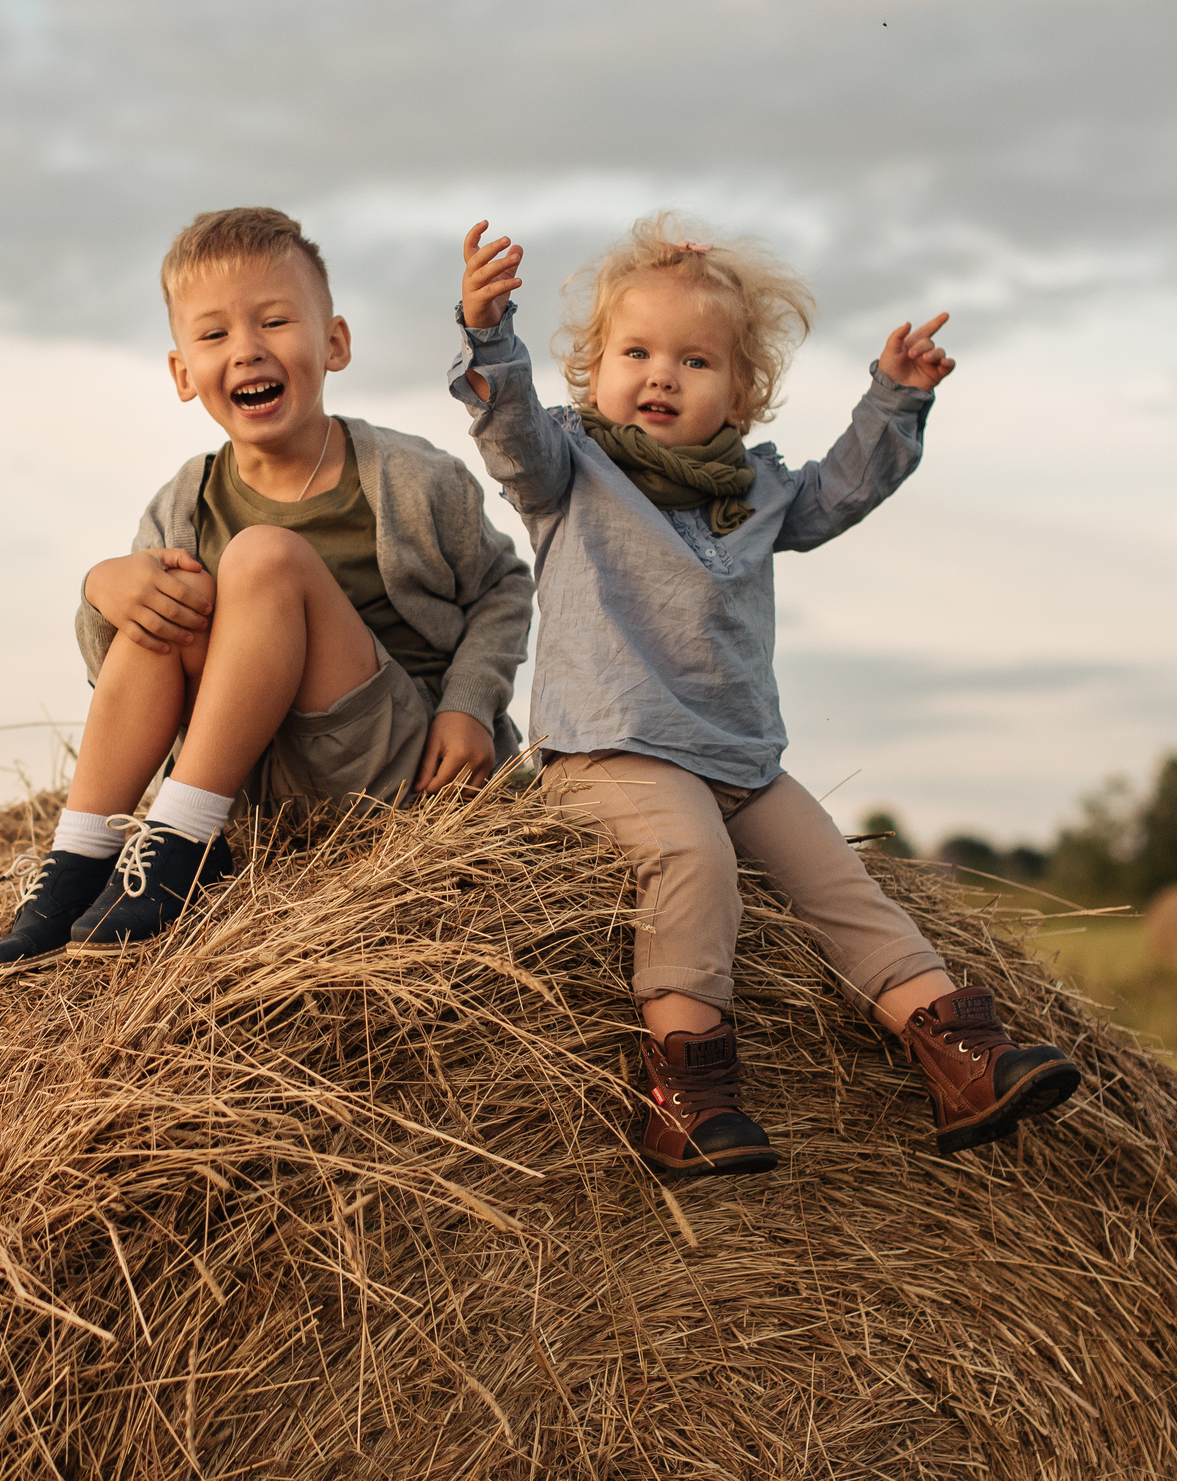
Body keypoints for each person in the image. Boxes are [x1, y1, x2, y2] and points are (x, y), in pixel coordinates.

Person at [450, 212, 1079, 1172]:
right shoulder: (568, 467)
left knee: (842, 884)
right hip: (613, 753)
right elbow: (507, 429)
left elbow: (841, 492)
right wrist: (490, 334)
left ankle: (965, 1058)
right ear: (594, 368)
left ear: (740, 394)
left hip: (739, 757)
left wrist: (895, 400)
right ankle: (687, 1094)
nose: (660, 374)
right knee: (692, 860)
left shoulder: (756, 489)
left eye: (695, 362)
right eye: (636, 352)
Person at [0, 207, 533, 974]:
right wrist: (101, 585)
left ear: (333, 342)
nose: (247, 350)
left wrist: (470, 702)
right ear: (181, 373)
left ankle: (176, 845)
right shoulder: (183, 502)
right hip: (256, 789)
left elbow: (504, 584)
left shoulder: (413, 478)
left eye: (275, 320)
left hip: (390, 771)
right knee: (160, 597)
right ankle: (78, 861)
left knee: (262, 559)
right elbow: (123, 668)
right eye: (214, 335)